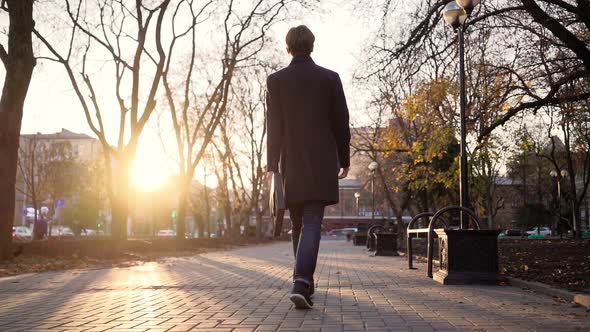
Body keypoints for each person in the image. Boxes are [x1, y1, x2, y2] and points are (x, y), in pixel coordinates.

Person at [266, 25, 351, 309]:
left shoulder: (276, 80)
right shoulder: (330, 78)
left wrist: (272, 164)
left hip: (292, 162)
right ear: (312, 46)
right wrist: (344, 158)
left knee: (298, 224)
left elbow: (274, 124)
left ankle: (303, 282)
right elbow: (341, 123)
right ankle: (302, 282)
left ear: (288, 48)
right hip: (323, 161)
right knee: (312, 221)